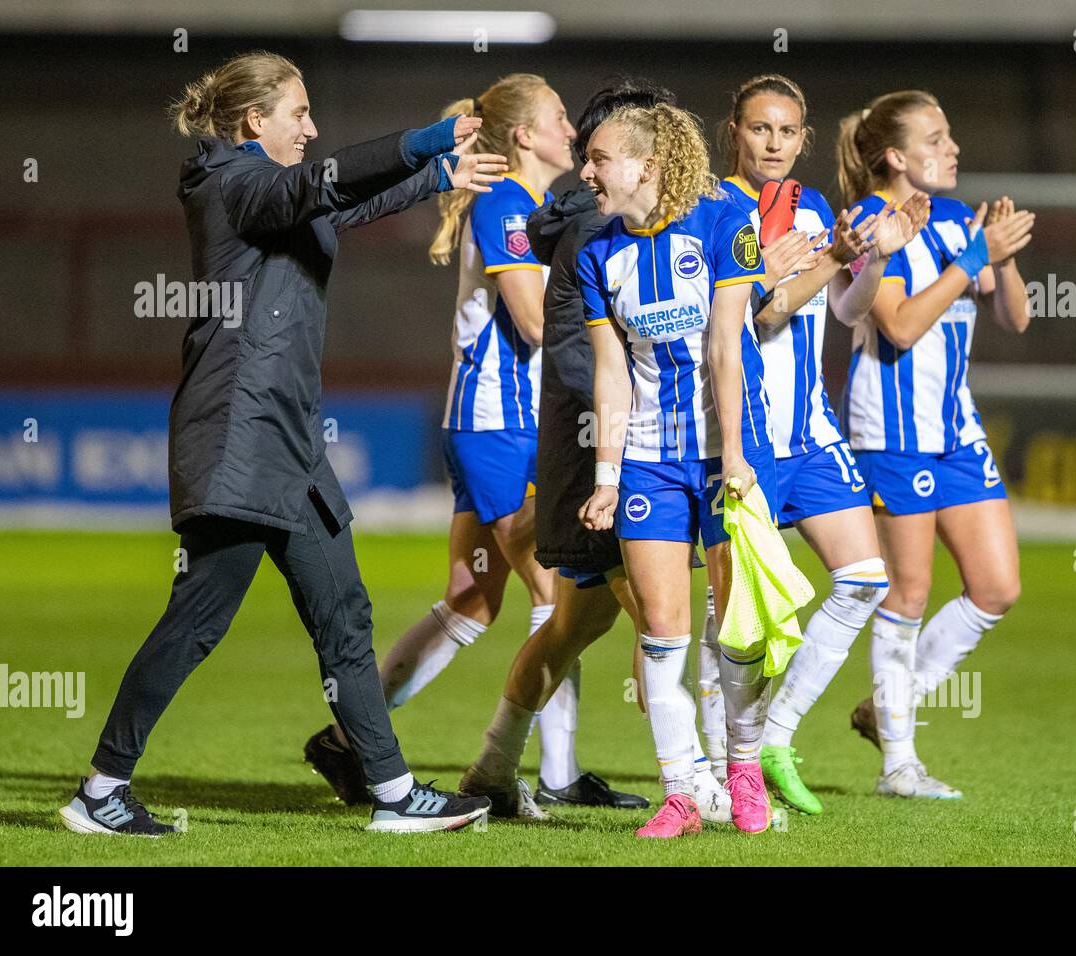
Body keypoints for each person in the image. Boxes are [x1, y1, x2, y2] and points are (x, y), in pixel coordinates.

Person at [60, 50, 507, 836]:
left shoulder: (272, 193)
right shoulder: (230, 186)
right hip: (237, 437)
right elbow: (325, 182)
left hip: (288, 443)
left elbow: (340, 205)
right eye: (298, 114)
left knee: (344, 614)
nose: (311, 127)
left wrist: (438, 178)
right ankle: (101, 791)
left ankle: (394, 794)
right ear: (252, 121)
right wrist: (425, 141)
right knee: (197, 619)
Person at [303, 73, 639, 812]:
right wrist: (628, 338)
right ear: (523, 135)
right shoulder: (506, 203)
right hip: (501, 428)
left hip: (499, 427)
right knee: (563, 593)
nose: (572, 132)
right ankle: (550, 772)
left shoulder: (535, 206)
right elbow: (532, 321)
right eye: (558, 118)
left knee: (470, 602)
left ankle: (345, 741)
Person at [458, 80, 732, 823]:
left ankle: (491, 767)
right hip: (606, 442)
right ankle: (697, 775)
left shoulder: (602, 215)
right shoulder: (601, 228)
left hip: (590, 438)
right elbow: (593, 354)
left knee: (579, 620)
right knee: (655, 611)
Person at [708, 74, 929, 815]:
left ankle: (773, 733)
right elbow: (765, 312)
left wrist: (871, 260)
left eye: (787, 131)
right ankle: (715, 764)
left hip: (812, 431)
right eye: (759, 129)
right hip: (747, 437)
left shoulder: (808, 206)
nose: (773, 143)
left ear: (804, 138)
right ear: (732, 132)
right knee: (735, 613)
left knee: (865, 578)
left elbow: (843, 306)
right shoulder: (714, 208)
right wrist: (838, 254)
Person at [575, 102, 783, 838]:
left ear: (648, 166)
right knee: (661, 628)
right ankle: (681, 794)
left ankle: (746, 762)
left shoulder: (724, 222)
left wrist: (735, 454)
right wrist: (606, 475)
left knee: (735, 625)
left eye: (599, 158)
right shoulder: (598, 254)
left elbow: (728, 347)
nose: (587, 172)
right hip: (648, 461)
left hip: (727, 446)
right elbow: (611, 375)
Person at [837, 90, 1035, 798]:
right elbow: (897, 326)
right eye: (936, 137)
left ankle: (888, 710)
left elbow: (1014, 319)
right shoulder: (869, 222)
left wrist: (1000, 257)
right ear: (895, 156)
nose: (953, 149)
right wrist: (973, 256)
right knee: (909, 591)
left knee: (996, 587)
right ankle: (900, 765)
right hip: (891, 433)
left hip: (955, 429)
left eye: (950, 137)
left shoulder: (955, 220)